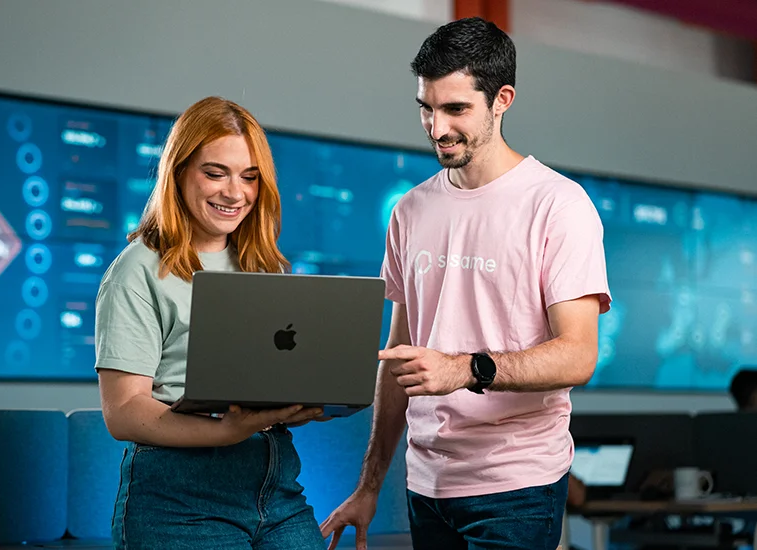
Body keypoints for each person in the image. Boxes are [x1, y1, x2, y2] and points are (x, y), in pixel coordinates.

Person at [321, 17, 612, 550]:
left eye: (456, 109)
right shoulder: (409, 211)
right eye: (426, 108)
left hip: (517, 486)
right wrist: (369, 484)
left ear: (502, 99)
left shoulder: (558, 206)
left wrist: (463, 369)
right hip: (425, 485)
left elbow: (578, 355)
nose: (437, 128)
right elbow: (398, 356)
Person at [95, 96, 328, 550]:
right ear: (179, 172)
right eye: (215, 173)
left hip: (277, 487)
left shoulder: (265, 268)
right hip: (180, 497)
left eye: (249, 177)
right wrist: (226, 431)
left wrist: (296, 404)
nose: (234, 193)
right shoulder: (137, 270)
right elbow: (123, 413)